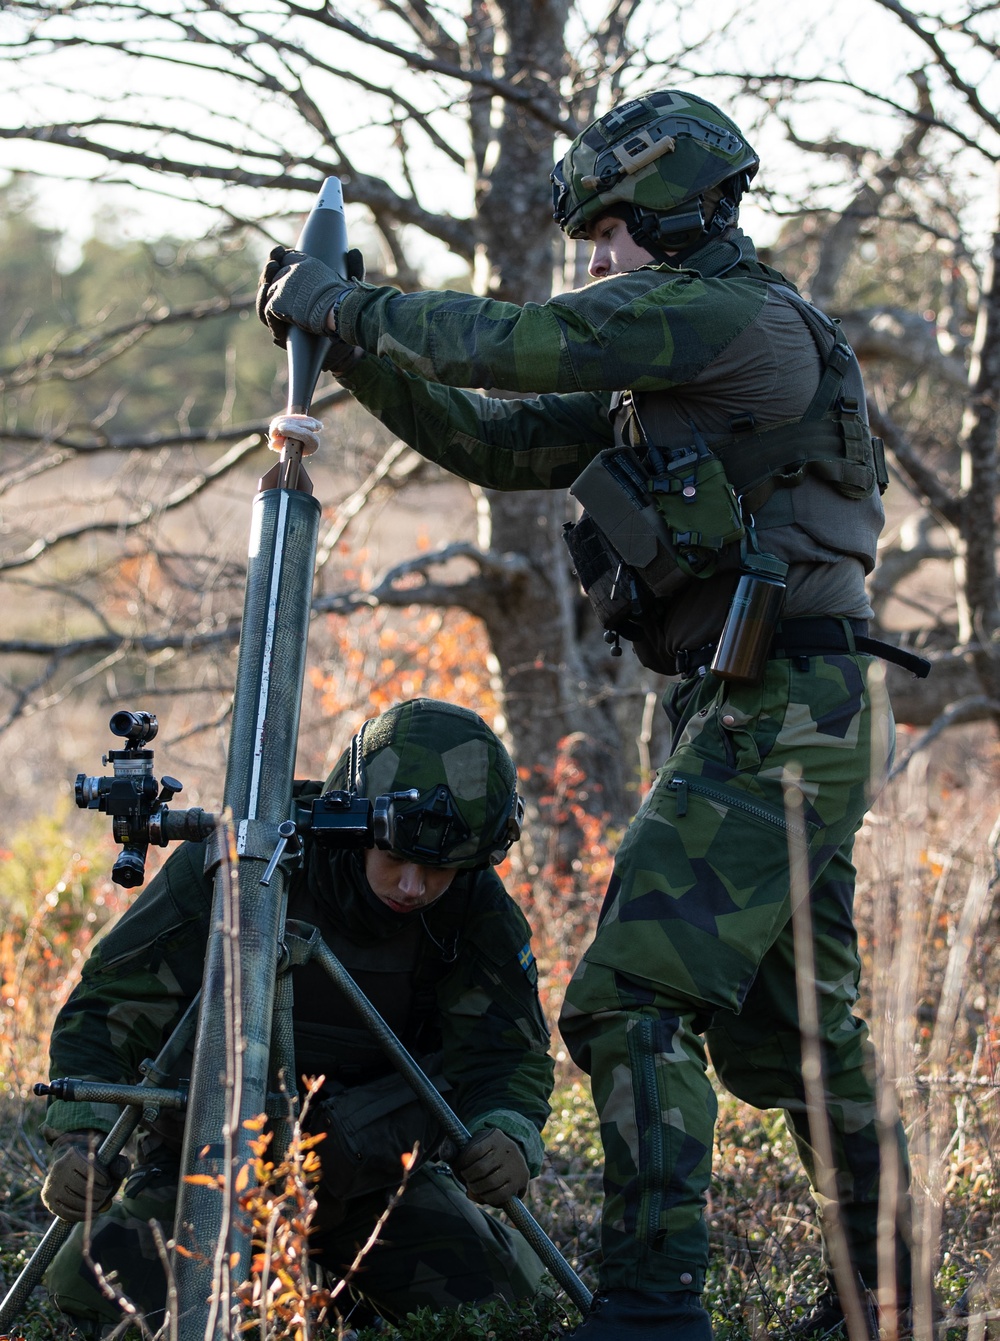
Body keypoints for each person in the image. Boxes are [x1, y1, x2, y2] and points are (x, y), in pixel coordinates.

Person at [255, 88, 928, 1341]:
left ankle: (650, 1307)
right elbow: (500, 442)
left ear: (670, 209)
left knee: (627, 1002)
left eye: (610, 230)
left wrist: (345, 303)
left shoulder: (726, 316)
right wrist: (348, 352)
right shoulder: (677, 355)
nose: (596, 259)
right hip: (765, 707)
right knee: (794, 1042)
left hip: (785, 707)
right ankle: (889, 1298)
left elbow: (512, 346)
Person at [41, 698, 553, 1334]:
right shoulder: (244, 860)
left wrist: (508, 1130)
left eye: (441, 869)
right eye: (399, 857)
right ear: (357, 815)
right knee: (88, 1295)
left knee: (512, 1312)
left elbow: (507, 1053)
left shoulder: (474, 907)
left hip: (376, 1187)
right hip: (206, 1179)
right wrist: (82, 1139)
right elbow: (109, 1010)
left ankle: (333, 1291)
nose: (414, 887)